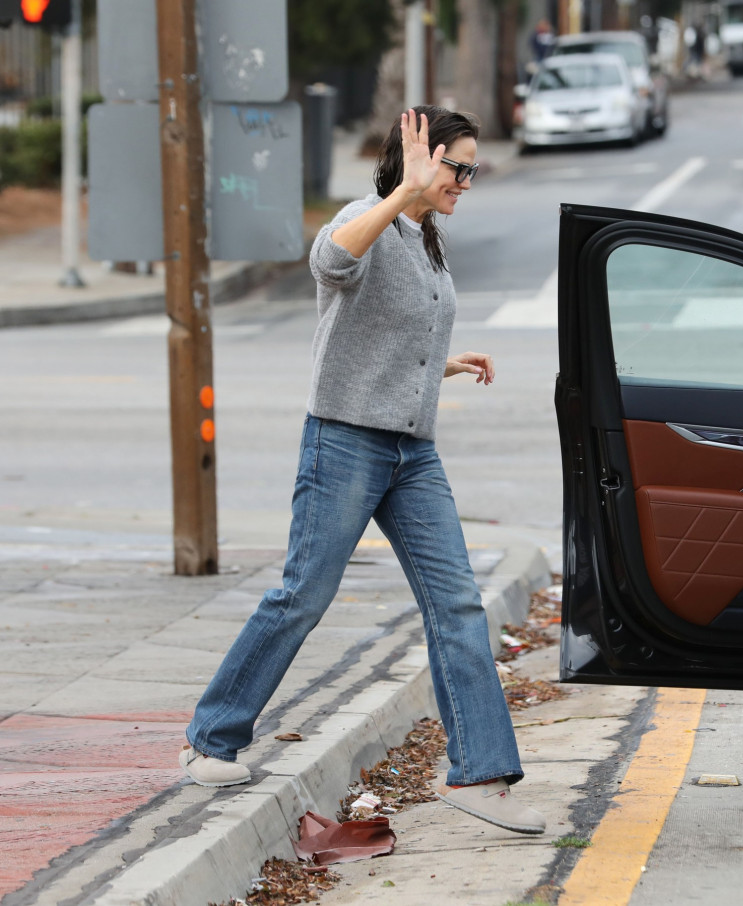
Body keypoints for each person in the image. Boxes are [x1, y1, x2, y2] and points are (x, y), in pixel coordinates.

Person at [179, 106, 546, 836]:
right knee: (303, 595)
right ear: (420, 159)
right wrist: (400, 195)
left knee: (459, 604)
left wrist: (441, 363)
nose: (467, 181)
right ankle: (213, 738)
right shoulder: (368, 218)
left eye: (473, 169)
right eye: (458, 167)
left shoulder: (427, 244)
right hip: (345, 442)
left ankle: (479, 774)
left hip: (413, 452)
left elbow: (383, 337)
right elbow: (331, 263)